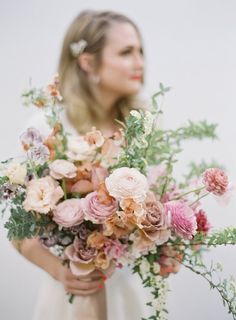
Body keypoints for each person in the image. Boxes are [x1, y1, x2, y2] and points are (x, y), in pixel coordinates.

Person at [12, 9, 148, 320]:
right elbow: (19, 228)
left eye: (140, 51)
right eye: (127, 52)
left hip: (126, 290)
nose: (140, 62)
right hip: (71, 295)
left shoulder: (140, 127)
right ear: (88, 62)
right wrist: (61, 273)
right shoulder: (48, 128)